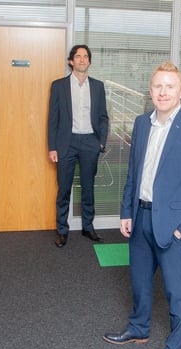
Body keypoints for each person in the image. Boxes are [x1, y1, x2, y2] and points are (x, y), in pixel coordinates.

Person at [103, 62, 181, 349]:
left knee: (175, 292)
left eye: (169, 86)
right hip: (141, 217)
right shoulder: (141, 124)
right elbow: (134, 174)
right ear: (150, 91)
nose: (163, 92)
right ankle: (139, 328)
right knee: (138, 280)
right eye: (157, 86)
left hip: (172, 226)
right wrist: (127, 211)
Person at [47, 44, 110, 248]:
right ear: (71, 61)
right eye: (78, 56)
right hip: (67, 143)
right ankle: (62, 230)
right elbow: (52, 119)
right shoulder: (58, 86)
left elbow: (102, 117)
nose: (82, 60)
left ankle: (87, 227)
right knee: (64, 189)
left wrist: (100, 142)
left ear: (89, 61)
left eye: (85, 56)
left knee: (88, 188)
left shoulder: (98, 86)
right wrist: (52, 147)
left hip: (90, 143)